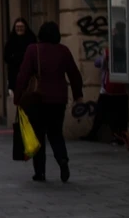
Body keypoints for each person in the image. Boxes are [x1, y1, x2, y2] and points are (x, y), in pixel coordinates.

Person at [14, 21, 84, 183]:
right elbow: (74, 74)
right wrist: (78, 95)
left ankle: (40, 172)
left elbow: (23, 75)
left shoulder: (33, 50)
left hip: (38, 99)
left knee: (38, 134)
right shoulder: (63, 50)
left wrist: (18, 97)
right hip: (59, 99)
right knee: (56, 132)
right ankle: (62, 159)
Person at [83, 45, 129, 146]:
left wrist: (104, 56)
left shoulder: (108, 53)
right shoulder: (126, 53)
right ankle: (118, 136)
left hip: (107, 90)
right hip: (122, 90)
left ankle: (96, 134)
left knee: (102, 114)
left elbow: (97, 63)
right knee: (120, 116)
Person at [4, 18, 36, 93]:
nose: (19, 29)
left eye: (21, 27)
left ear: (25, 27)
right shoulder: (11, 39)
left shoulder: (31, 38)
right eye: (17, 27)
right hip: (14, 73)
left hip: (28, 73)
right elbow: (6, 56)